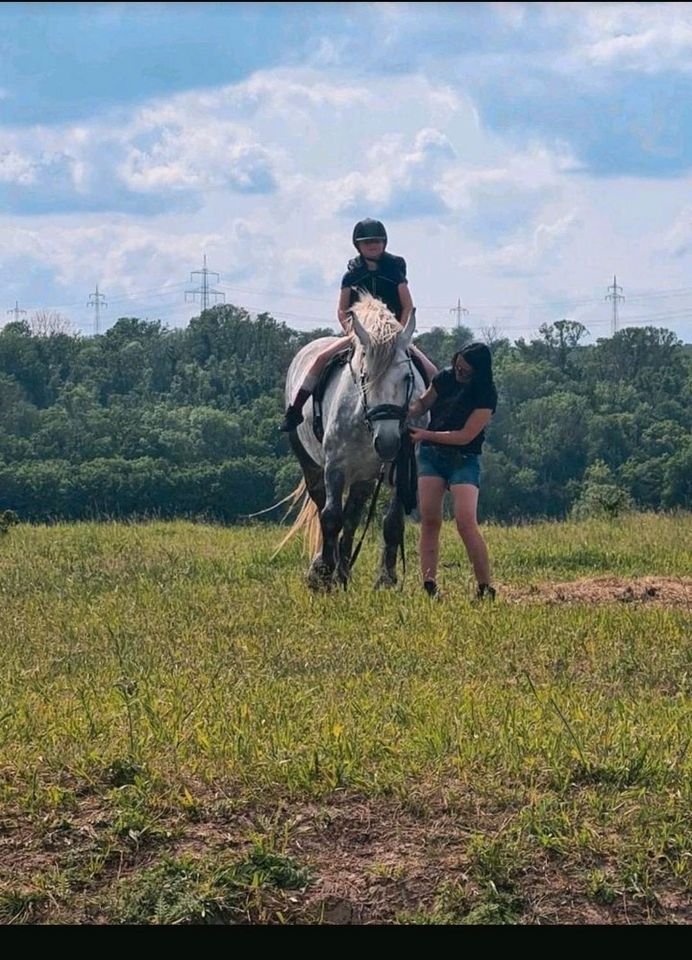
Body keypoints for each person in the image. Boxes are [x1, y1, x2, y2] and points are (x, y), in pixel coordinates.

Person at [279, 218, 437, 432]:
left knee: (431, 371)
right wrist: (352, 333)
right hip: (361, 335)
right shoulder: (351, 275)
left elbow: (407, 306)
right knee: (320, 358)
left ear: (384, 243)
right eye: (367, 242)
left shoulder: (395, 272)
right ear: (358, 245)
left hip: (393, 337)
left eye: (377, 241)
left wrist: (398, 335)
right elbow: (342, 309)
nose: (373, 245)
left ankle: (438, 417)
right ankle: (295, 411)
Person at [407, 342, 498, 600]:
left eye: (465, 371)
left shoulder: (486, 395)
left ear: (478, 373)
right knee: (430, 520)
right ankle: (428, 584)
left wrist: (425, 434)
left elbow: (464, 436)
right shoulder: (445, 378)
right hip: (431, 457)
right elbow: (422, 405)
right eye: (457, 366)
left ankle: (485, 587)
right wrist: (402, 410)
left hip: (464, 457)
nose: (459, 372)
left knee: (465, 521)